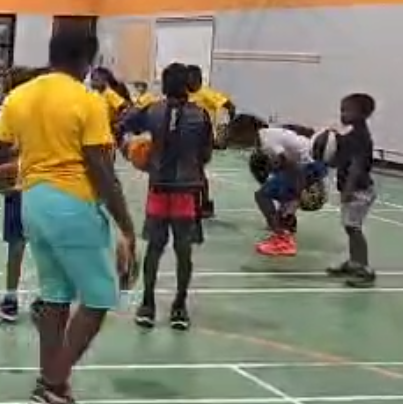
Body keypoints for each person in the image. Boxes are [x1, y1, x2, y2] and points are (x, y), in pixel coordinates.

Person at [0, 31, 135, 404]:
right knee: (99, 297)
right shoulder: (88, 100)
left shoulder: (20, 96)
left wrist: (17, 178)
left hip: (34, 204)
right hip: (73, 204)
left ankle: (55, 396)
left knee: (56, 297)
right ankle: (52, 383)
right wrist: (128, 228)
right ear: (87, 59)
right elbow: (101, 169)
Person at [121, 63, 212, 330]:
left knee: (154, 248)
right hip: (187, 191)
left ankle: (147, 304)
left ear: (163, 84)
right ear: (188, 86)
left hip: (159, 187)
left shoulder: (152, 110)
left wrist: (133, 151)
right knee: (183, 251)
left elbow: (122, 126)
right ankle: (179, 307)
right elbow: (206, 155)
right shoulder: (201, 115)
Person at [0, 66, 48, 324]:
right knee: (43, 247)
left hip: (20, 187)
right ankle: (45, 299)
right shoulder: (46, 113)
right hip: (43, 186)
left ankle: (11, 300)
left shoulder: (13, 111)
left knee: (17, 247)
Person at [224, 115, 326, 257]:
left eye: (236, 135)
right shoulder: (264, 137)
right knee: (278, 196)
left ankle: (282, 237)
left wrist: (297, 191)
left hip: (308, 167)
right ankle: (282, 232)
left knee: (262, 196)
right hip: (306, 166)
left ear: (247, 132)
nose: (234, 139)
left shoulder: (267, 142)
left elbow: (290, 164)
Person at [327, 93, 377, 288]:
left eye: (346, 110)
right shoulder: (350, 136)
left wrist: (348, 189)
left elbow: (356, 166)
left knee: (353, 228)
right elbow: (336, 160)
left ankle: (364, 269)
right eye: (341, 109)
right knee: (350, 227)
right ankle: (354, 262)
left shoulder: (360, 137)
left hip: (360, 190)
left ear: (362, 114)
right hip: (354, 190)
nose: (342, 114)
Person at [185, 64, 235, 217]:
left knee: (197, 172)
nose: (190, 82)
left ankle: (204, 203)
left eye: (193, 78)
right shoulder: (184, 94)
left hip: (203, 140)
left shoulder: (207, 93)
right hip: (187, 139)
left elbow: (229, 105)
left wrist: (227, 126)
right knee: (191, 172)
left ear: (199, 79)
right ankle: (195, 203)